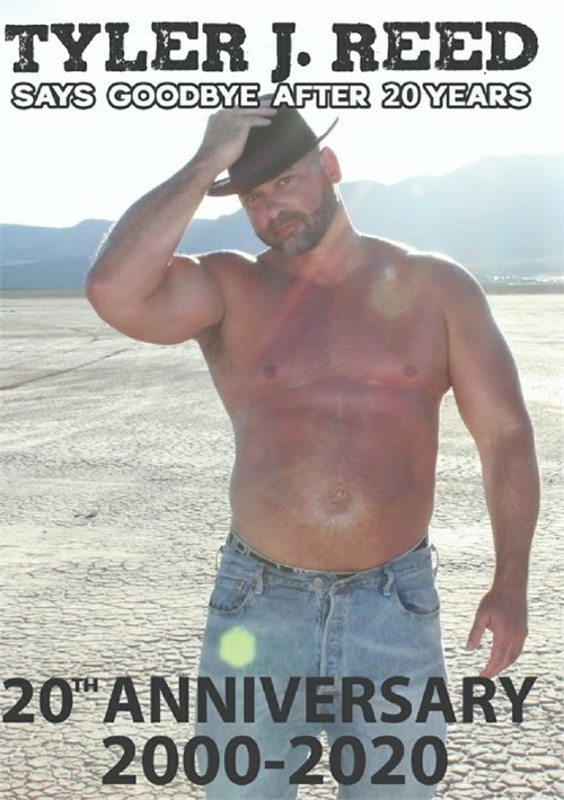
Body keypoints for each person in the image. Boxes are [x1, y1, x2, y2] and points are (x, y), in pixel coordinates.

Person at [86, 97, 539, 799]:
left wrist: (510, 582)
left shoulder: (437, 287)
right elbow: (113, 289)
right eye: (253, 199)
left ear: (328, 166)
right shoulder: (232, 286)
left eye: (285, 182)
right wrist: (207, 160)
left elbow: (505, 437)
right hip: (259, 608)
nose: (272, 211)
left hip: (394, 609)